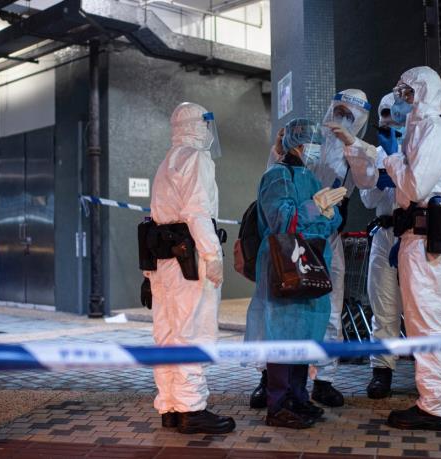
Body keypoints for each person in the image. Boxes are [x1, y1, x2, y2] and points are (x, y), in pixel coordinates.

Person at [331, 67, 441, 431]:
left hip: (426, 239)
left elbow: (415, 185)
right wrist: (360, 146)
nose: (402, 102)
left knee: (428, 323)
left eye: (407, 94)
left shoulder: (435, 129)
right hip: (419, 238)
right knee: (440, 320)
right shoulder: (424, 131)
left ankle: (435, 406)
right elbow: (376, 181)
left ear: (424, 93)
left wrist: (388, 158)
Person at [245, 117, 345, 429]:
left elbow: (331, 222)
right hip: (283, 263)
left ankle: (298, 397)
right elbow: (282, 220)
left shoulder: (308, 176)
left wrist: (326, 211)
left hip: (311, 260)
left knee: (305, 334)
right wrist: (315, 208)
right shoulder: (277, 176)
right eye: (310, 143)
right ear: (297, 144)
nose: (315, 149)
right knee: (282, 335)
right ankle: (277, 405)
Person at [146, 102, 235, 435]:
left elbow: (156, 217)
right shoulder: (196, 158)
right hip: (189, 259)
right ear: (199, 126)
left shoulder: (167, 160)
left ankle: (170, 406)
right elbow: (197, 212)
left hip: (163, 262)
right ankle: (192, 409)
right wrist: (212, 255)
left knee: (167, 333)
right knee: (192, 331)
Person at [309, 89, 372, 407]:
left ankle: (324, 380)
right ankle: (271, 377)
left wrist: (352, 144)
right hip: (295, 235)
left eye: (350, 115)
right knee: (282, 308)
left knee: (331, 310)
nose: (341, 119)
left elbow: (368, 180)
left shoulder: (356, 151)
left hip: (330, 237)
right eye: (339, 111)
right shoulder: (309, 139)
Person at [341, 93, 405, 399]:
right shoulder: (376, 152)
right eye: (385, 120)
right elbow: (367, 198)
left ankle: (433, 375)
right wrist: (380, 179)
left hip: (415, 234)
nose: (389, 125)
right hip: (384, 232)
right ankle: (382, 371)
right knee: (383, 304)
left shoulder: (420, 146)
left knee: (421, 308)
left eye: (394, 118)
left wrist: (398, 171)